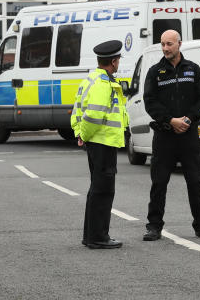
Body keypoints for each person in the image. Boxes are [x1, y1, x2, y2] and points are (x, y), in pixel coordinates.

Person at [142, 29, 200, 241]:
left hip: (188, 136)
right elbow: (150, 101)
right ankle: (154, 227)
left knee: (195, 181)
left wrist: (188, 119)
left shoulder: (193, 69)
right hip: (165, 137)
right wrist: (169, 120)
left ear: (179, 44)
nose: (165, 48)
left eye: (169, 44)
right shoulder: (155, 72)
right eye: (162, 44)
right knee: (159, 183)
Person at [70, 39, 129, 249]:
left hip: (98, 142)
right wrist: (84, 135)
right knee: (103, 191)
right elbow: (93, 115)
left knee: (97, 189)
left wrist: (80, 133)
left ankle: (91, 235)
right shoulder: (103, 84)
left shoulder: (90, 80)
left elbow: (77, 111)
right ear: (113, 61)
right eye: (118, 59)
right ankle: (98, 237)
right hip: (103, 142)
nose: (119, 62)